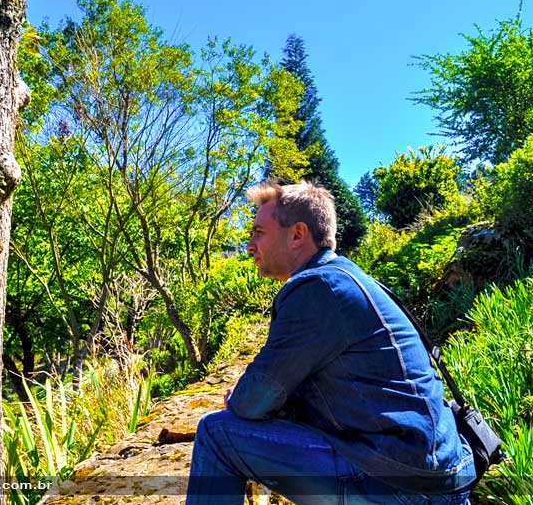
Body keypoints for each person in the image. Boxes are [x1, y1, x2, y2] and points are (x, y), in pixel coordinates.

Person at [186, 180, 475, 505]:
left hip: (402, 486)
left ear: (297, 234)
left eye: (258, 233)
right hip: (440, 473)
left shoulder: (318, 288)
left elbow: (252, 401)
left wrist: (242, 397)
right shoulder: (349, 279)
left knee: (217, 433)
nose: (250, 246)